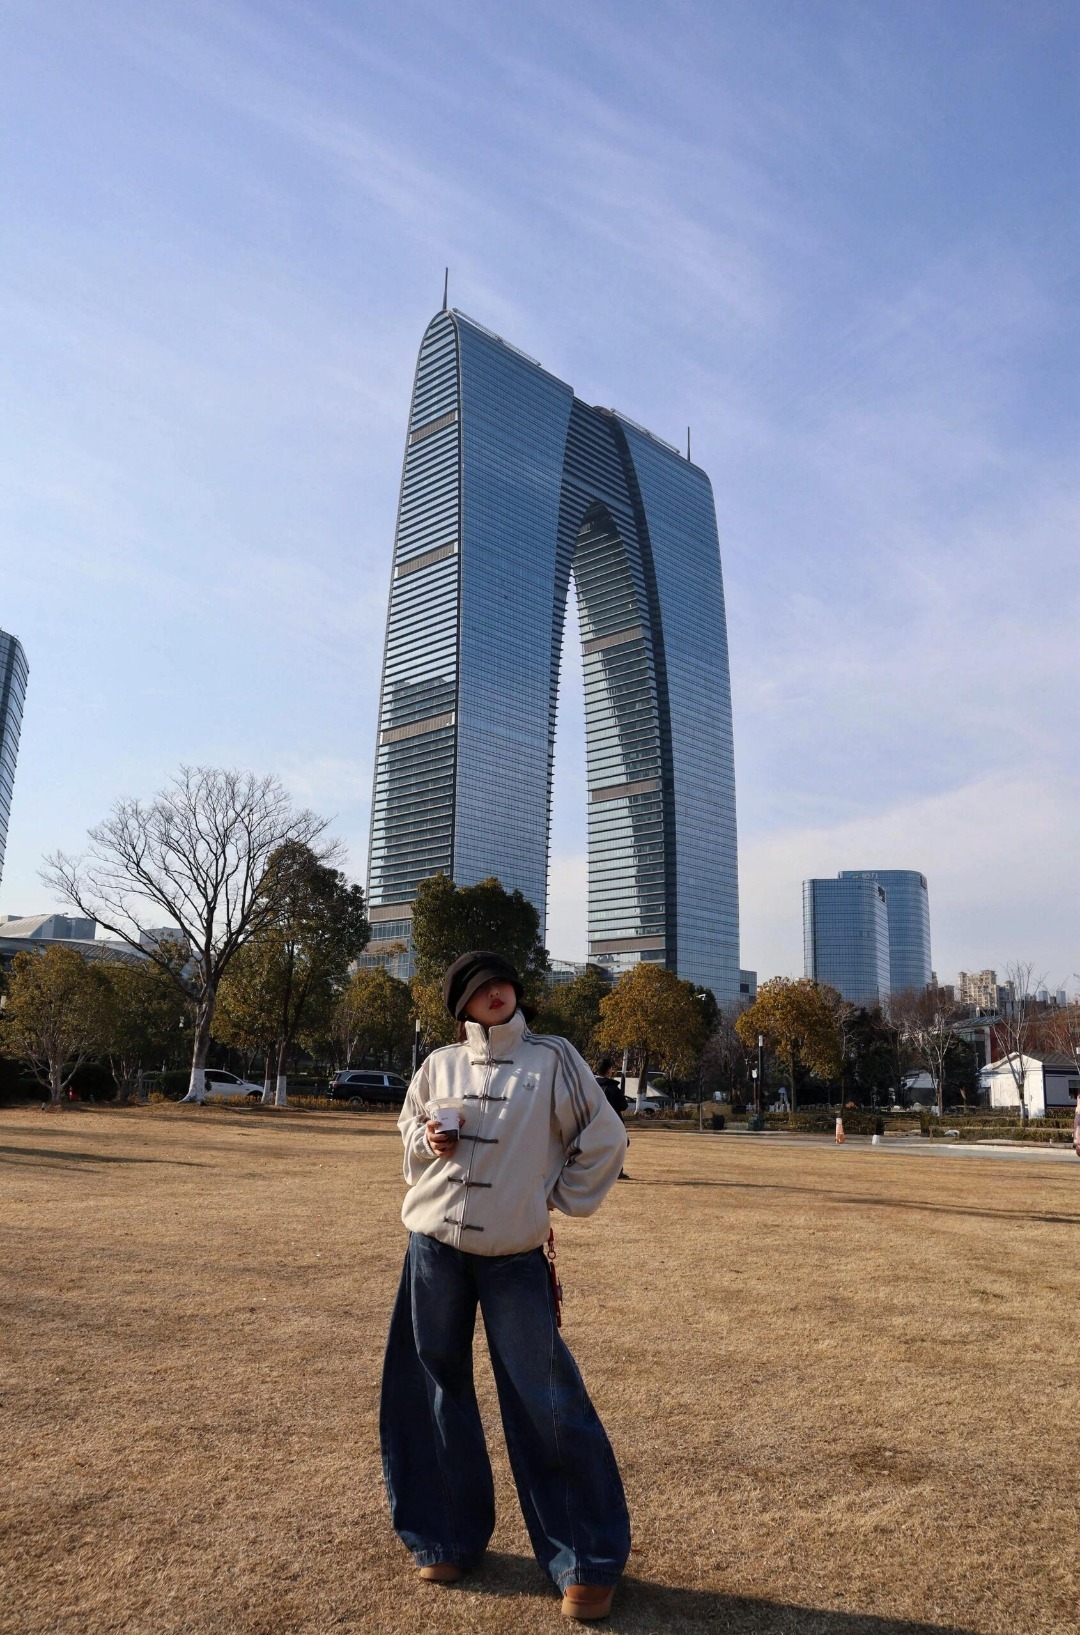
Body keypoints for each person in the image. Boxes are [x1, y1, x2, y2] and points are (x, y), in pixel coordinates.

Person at [380, 951, 631, 1623]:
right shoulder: (438, 1064)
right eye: (477, 986)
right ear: (459, 1004)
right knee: (433, 1386)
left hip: (513, 1255)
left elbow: (605, 1136)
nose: (494, 992)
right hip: (431, 1245)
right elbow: (407, 1137)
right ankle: (442, 1534)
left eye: (501, 981)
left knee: (546, 1399)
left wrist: (552, 1195)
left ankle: (586, 1560)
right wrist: (428, 1141)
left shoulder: (553, 1058)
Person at [594, 1057, 629, 1178]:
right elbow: (623, 1106)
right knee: (617, 1146)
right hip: (612, 1123)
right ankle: (616, 1170)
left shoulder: (590, 1086)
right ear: (609, 1070)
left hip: (593, 1122)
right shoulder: (612, 1088)